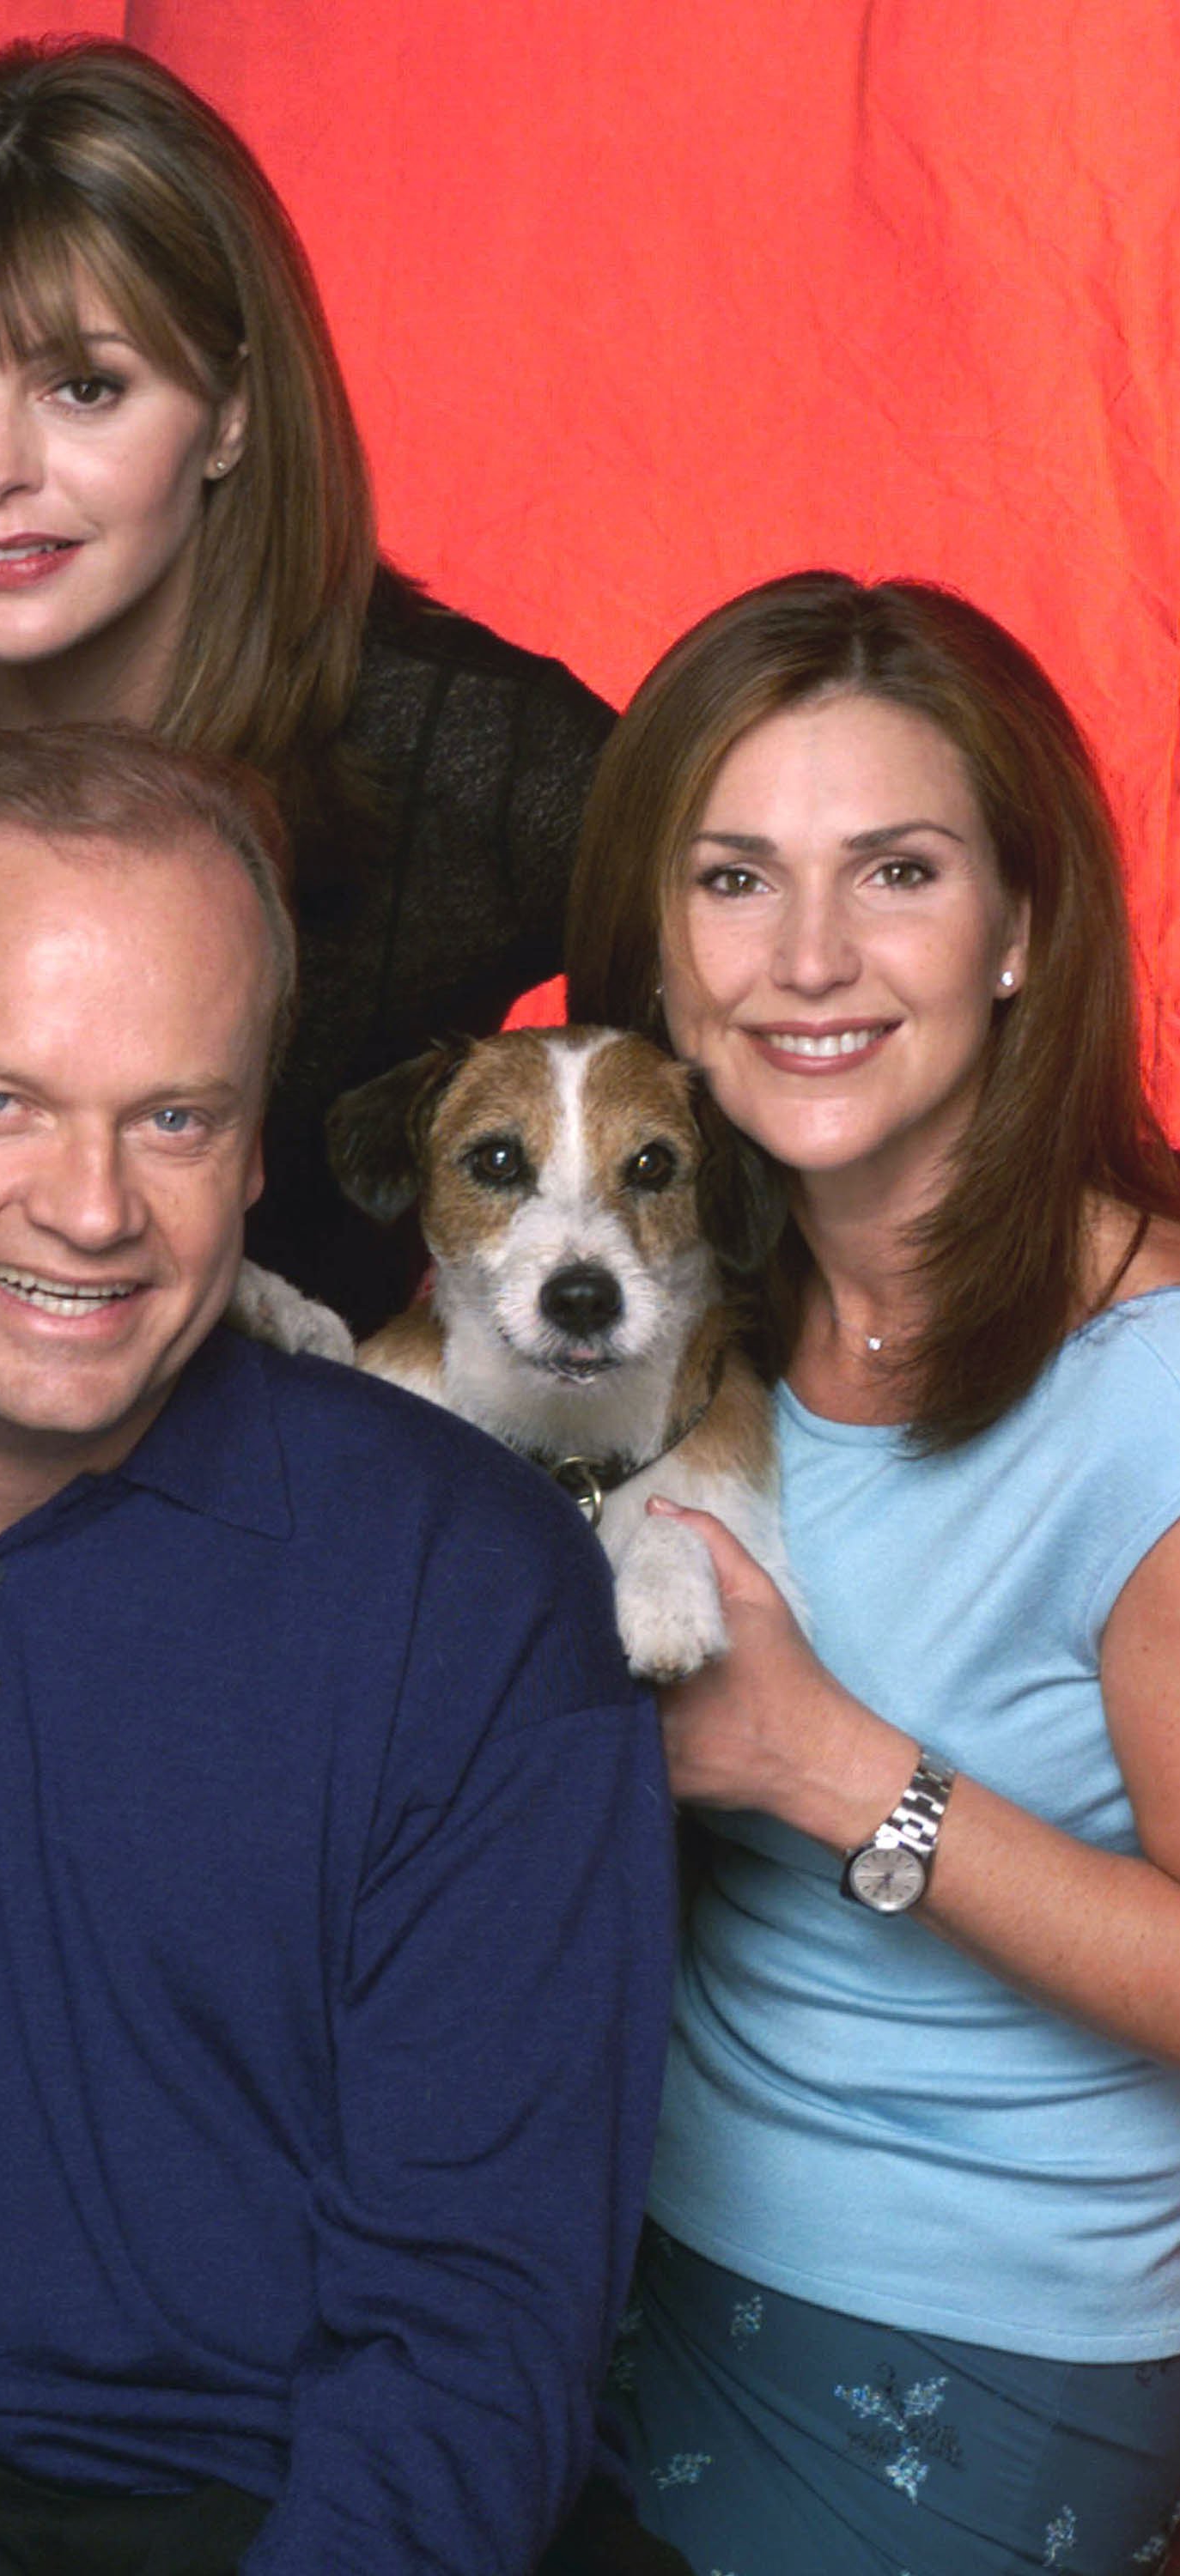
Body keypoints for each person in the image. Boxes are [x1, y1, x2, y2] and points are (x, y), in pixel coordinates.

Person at [0, 724, 677, 2574]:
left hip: (348, 2511)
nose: (90, 1209)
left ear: (254, 1145)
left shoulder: (469, 1586)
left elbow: (480, 2327)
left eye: (173, 1117)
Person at [563, 572, 1180, 2571]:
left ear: (1021, 930)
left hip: (963, 2345)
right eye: (735, 879)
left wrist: (831, 1770)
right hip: (607, 2254)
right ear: (662, 951)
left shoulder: (1152, 1383)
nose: (807, 957)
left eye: (895, 870)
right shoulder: (666, 1308)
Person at [0, 35, 615, 1332]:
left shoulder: (473, 755)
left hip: (326, 1505)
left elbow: (771, 1068)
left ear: (231, 411)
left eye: (85, 387)